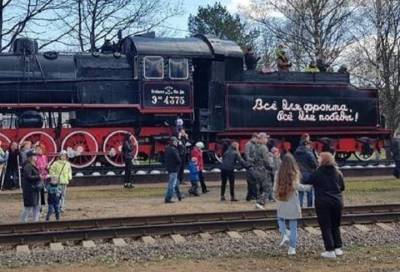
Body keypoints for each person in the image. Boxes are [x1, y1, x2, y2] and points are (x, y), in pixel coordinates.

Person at [304, 152, 345, 259]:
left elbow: (308, 180)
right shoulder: (337, 172)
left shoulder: (318, 172)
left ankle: (329, 250)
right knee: (336, 225)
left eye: (319, 158)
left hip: (323, 202)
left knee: (325, 226)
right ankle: (338, 248)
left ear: (323, 160)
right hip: (337, 202)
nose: (317, 160)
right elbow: (342, 187)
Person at [273, 153, 312, 256]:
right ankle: (292, 249)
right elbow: (297, 186)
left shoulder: (278, 172)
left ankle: (284, 234)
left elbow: (274, 188)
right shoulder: (294, 172)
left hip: (282, 198)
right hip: (293, 200)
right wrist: (309, 187)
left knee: (280, 218)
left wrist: (275, 196)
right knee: (293, 225)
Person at [294, 136, 318, 208]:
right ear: (307, 144)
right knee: (309, 191)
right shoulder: (309, 153)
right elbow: (314, 164)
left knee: (300, 191)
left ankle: (300, 207)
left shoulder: (296, 152)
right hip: (308, 173)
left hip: (299, 173)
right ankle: (309, 207)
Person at [253, 133, 274, 209]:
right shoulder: (264, 147)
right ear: (262, 139)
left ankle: (258, 202)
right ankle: (261, 203)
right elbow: (266, 161)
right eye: (266, 138)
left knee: (259, 188)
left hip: (256, 170)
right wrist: (271, 167)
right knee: (267, 187)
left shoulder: (255, 147)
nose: (267, 140)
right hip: (263, 170)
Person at [21, 150, 42, 222]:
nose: (36, 157)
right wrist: (39, 177)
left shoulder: (31, 165)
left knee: (36, 206)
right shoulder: (28, 165)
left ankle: (35, 222)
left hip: (33, 188)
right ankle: (23, 222)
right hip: (30, 189)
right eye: (34, 155)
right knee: (28, 207)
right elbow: (28, 177)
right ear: (31, 157)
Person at [164, 137, 182, 203]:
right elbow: (178, 160)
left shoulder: (167, 149)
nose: (177, 142)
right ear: (174, 142)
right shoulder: (174, 150)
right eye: (176, 141)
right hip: (174, 169)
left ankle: (179, 195)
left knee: (176, 183)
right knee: (172, 184)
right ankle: (168, 198)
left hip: (170, 169)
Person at [244, 133, 258, 201]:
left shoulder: (255, 145)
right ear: (253, 137)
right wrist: (254, 160)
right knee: (251, 181)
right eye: (256, 138)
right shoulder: (248, 144)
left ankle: (251, 196)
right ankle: (250, 196)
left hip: (254, 165)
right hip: (250, 165)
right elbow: (247, 156)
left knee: (253, 181)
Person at [35, 145, 48, 209]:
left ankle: (42, 204)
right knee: (38, 191)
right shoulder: (35, 157)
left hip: (44, 175)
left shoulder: (44, 157)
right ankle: (37, 204)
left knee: (43, 191)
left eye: (39, 149)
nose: (38, 151)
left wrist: (46, 167)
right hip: (38, 175)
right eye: (37, 149)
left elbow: (46, 164)